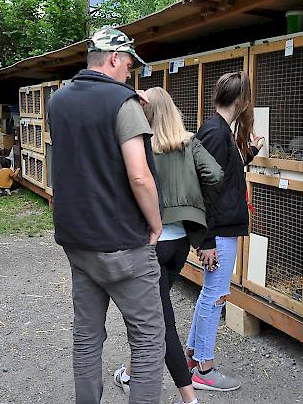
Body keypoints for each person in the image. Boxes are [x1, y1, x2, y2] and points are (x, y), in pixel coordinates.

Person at [47, 26, 165, 404]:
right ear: (114, 58)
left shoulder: (58, 101)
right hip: (122, 242)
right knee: (148, 340)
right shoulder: (123, 103)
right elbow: (139, 175)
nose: (130, 74)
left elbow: (81, 156)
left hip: (78, 241)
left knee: (86, 337)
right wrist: (156, 222)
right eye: (129, 65)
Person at [113, 87, 224, 404]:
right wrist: (195, 206)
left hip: (150, 243)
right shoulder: (190, 142)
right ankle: (130, 372)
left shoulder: (141, 146)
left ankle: (190, 400)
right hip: (178, 247)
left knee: (161, 324)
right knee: (152, 312)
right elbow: (216, 175)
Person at [186, 72, 264, 391]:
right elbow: (204, 189)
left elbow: (224, 176)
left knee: (211, 294)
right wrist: (206, 241)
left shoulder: (218, 129)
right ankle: (204, 368)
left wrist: (250, 154)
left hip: (220, 230)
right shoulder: (217, 133)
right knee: (215, 296)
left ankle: (193, 355)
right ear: (241, 101)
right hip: (217, 233)